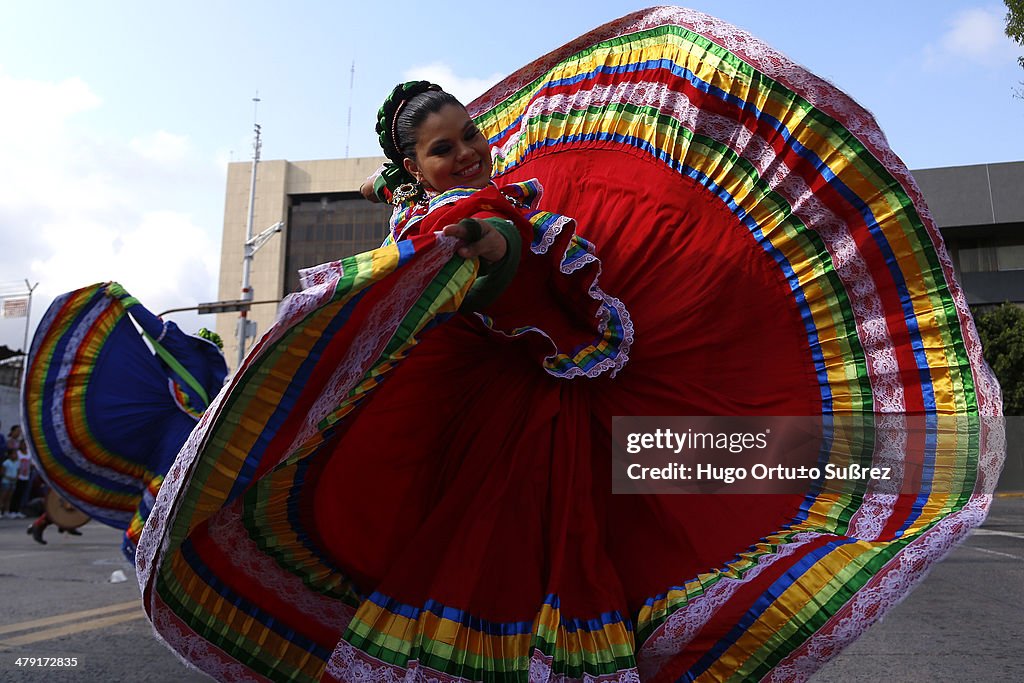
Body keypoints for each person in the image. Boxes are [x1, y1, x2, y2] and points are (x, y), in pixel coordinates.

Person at [139, 8, 1001, 683]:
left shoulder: (495, 208)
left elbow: (509, 255)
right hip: (510, 431)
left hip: (546, 416)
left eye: (472, 134)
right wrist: (479, 245)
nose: (470, 152)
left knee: (675, 500)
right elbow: (488, 253)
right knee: (533, 564)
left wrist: (487, 244)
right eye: (445, 149)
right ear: (418, 166)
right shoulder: (466, 220)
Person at [21, 282, 227, 559]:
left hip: (171, 430)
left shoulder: (183, 347)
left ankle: (139, 546)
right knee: (172, 490)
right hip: (192, 434)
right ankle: (157, 550)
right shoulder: (210, 372)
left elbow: (155, 327)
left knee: (164, 487)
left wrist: (126, 299)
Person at [6, 425, 30, 519]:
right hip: (17, 475)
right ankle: (11, 510)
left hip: (26, 475)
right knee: (14, 493)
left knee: (21, 494)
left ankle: (17, 510)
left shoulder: (28, 452)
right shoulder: (17, 453)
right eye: (17, 430)